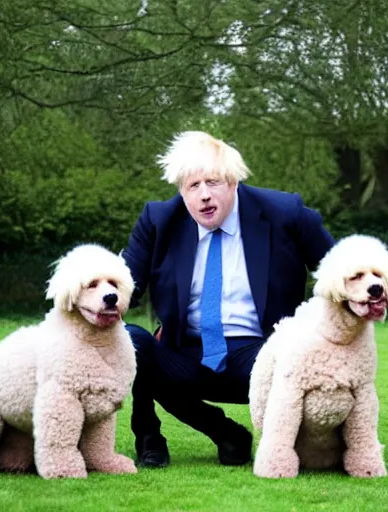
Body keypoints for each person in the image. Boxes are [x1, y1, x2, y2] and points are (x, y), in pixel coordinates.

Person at [121, 131, 335, 468]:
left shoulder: (284, 212)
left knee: (292, 366)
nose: (204, 195)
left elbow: (338, 270)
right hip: (186, 354)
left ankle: (301, 445)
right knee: (130, 341)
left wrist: (320, 332)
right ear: (181, 191)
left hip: (262, 355)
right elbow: (120, 287)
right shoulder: (159, 220)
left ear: (233, 183)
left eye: (214, 182)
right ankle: (175, 437)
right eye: (193, 186)